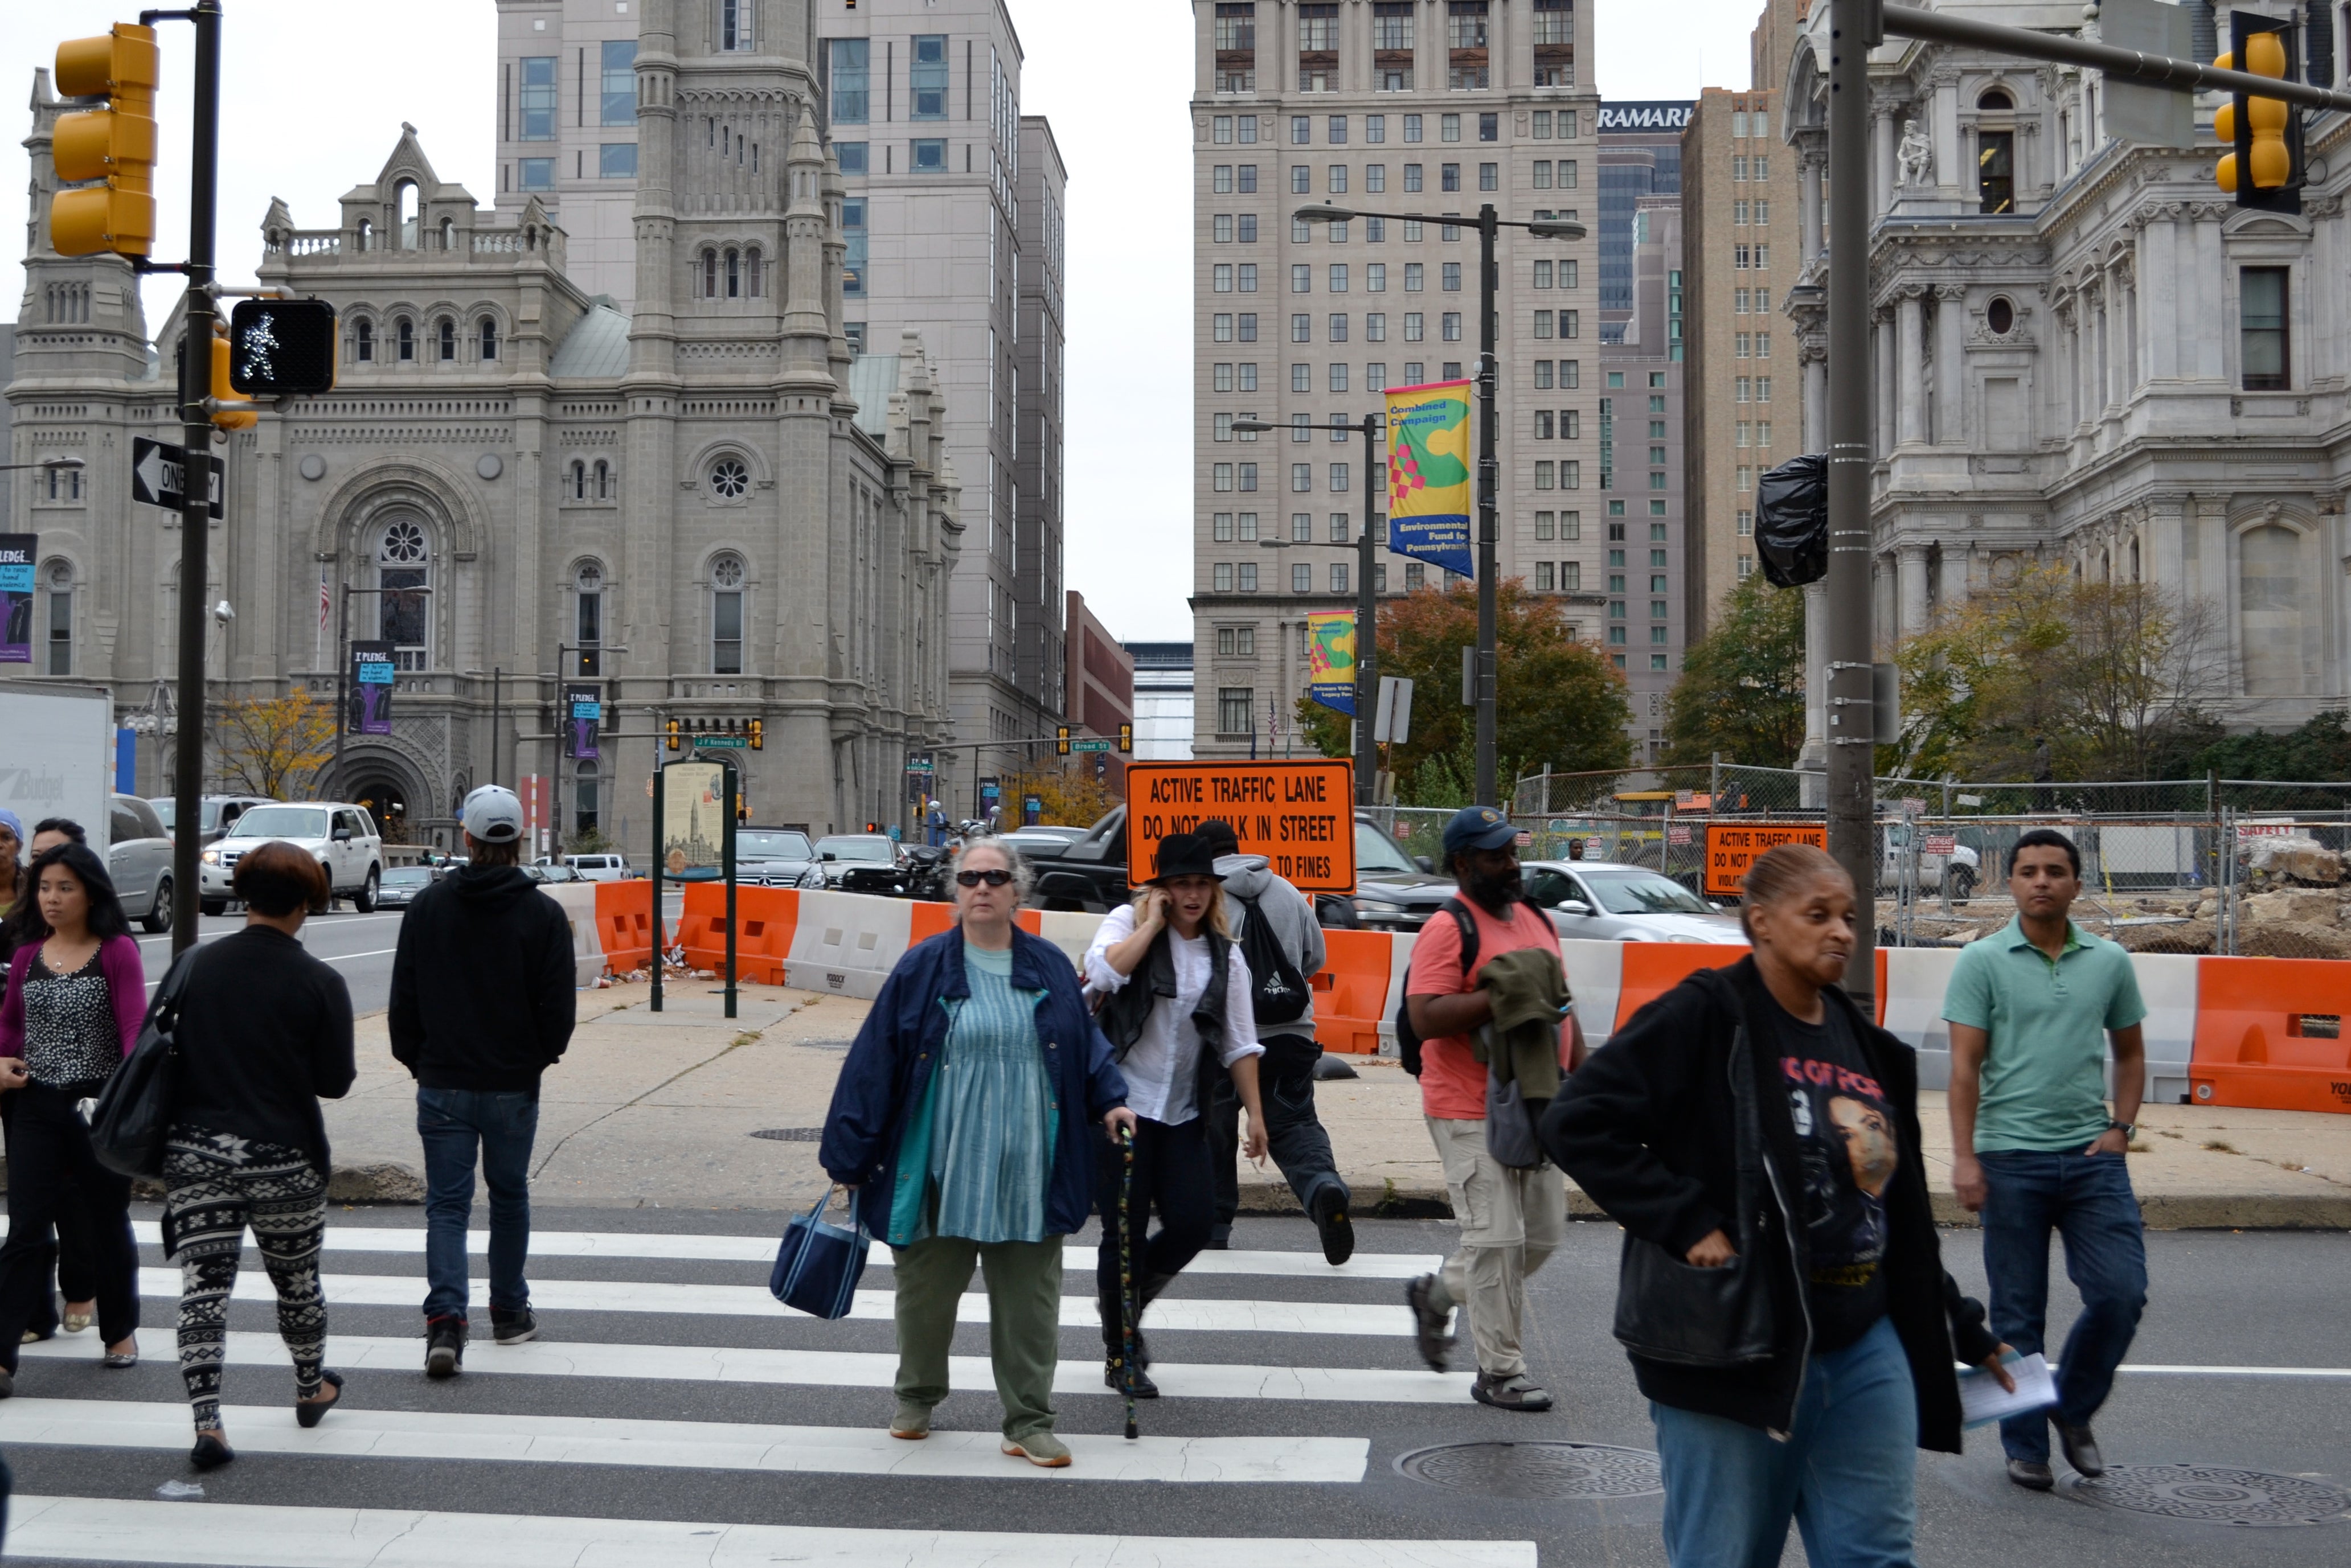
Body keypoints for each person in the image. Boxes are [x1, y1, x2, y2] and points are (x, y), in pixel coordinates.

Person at [1546, 843, 2014, 1567]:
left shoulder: (1868, 1047)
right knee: (1727, 1558)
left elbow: (1893, 1215)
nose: (1842, 934)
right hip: (1736, 1345)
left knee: (1877, 1557)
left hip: (1864, 1345)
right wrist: (1684, 1219)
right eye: (1818, 915)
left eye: (1851, 918)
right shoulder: (1706, 1016)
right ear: (1760, 922)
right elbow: (1578, 1121)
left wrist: (1961, 1326)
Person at [821, 839, 1132, 1468]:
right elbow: (875, 1062)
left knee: (1031, 1305)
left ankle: (1028, 1419)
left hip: (1029, 1168)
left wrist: (1112, 1100)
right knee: (925, 1295)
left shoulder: (1047, 966)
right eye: (970, 878)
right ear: (955, 890)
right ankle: (917, 1396)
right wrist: (847, 1156)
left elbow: (1086, 1048)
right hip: (940, 1163)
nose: (982, 888)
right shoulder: (923, 967)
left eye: (995, 877)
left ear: (1018, 890)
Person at [1944, 827, 2148, 1491]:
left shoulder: (2110, 962)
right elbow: (1964, 1070)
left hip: (2093, 1160)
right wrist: (1965, 1159)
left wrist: (2120, 1128)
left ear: (2076, 884)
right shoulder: (1982, 961)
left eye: (2054, 871)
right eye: (2028, 871)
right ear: (2010, 881)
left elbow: (2131, 1053)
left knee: (2121, 1294)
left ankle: (2074, 1409)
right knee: (2017, 1316)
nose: (2041, 881)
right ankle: (2024, 1446)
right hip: (2009, 1160)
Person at [162, 842, 358, 1468]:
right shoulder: (321, 982)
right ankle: (309, 1387)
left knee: (203, 1290)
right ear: (307, 903)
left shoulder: (196, 966)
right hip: (285, 1156)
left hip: (197, 1151)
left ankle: (208, 1423)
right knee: (297, 1283)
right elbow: (335, 1080)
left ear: (245, 896)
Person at [388, 784, 576, 1378]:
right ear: (518, 840)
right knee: (509, 1196)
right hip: (513, 1082)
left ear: (465, 838)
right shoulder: (543, 914)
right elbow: (559, 1009)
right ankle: (509, 1310)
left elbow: (404, 1000)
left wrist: (418, 1060)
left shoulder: (428, 907)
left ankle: (446, 1321)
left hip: (442, 1078)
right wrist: (538, 1057)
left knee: (447, 1205)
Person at [1400, 805, 1577, 1412]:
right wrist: (1497, 995)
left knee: (1542, 1238)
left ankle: (1436, 1297)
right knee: (1497, 1240)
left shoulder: (1535, 918)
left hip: (1534, 1100)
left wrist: (1572, 1080)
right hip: (1465, 1106)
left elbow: (1560, 1005)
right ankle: (1500, 1372)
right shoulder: (1449, 928)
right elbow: (1424, 1016)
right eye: (1495, 856)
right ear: (1463, 864)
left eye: (1511, 852)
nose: (1511, 864)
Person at [1084, 832, 1268, 1398]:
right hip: (1124, 1108)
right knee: (1125, 1234)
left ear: (1214, 891)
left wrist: (1255, 1116)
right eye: (1180, 884)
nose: (1192, 894)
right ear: (1161, 889)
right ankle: (1123, 1352)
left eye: (1201, 885)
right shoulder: (1124, 921)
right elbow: (1103, 974)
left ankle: (1125, 1299)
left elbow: (1240, 1040)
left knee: (1193, 1223)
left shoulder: (1225, 952)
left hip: (1184, 1113)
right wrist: (1151, 924)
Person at [0, 842, 147, 1392]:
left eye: (65, 888)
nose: (52, 899)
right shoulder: (26, 956)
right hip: (35, 1105)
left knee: (107, 1221)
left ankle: (120, 1331)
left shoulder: (116, 952)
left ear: (90, 893)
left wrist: (127, 1088)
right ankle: (3, 1353)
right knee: (26, 1228)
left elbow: (133, 1028)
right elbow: (11, 1027)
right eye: (43, 888)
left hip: (98, 1107)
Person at [1193, 817, 1351, 1263]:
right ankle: (1323, 1186)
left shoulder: (1203, 896)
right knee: (1295, 1123)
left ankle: (1216, 1223)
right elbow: (1314, 957)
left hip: (1224, 1042)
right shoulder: (1286, 890)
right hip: (1291, 1037)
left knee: (1214, 1129)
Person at [0, 818, 99, 1347]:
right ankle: (33, 1313)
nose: (47, 873)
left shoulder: (98, 934)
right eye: (40, 861)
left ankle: (81, 1284)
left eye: (56, 859)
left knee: (75, 1192)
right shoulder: (20, 924)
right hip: (17, 1076)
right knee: (29, 1200)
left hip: (78, 1083)